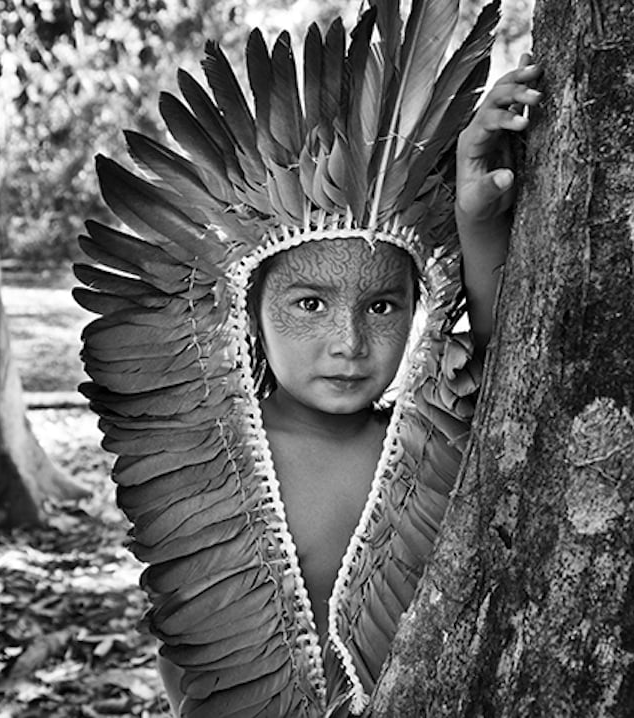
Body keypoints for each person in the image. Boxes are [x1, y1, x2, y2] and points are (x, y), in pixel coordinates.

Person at [147, 55, 543, 716]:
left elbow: (519, 366)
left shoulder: (425, 441)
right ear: (250, 310)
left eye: (383, 307)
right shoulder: (204, 453)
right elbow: (185, 642)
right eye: (309, 305)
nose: (349, 344)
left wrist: (475, 219)